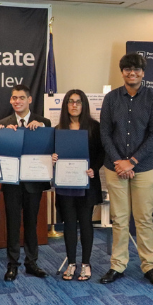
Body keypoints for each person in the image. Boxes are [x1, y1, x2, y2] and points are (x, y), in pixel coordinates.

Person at [99, 53, 153, 285]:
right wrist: (119, 161)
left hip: (144, 167)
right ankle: (118, 265)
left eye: (136, 69)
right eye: (127, 69)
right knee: (119, 218)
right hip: (115, 167)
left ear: (143, 73)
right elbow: (104, 133)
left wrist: (132, 161)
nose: (132, 73)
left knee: (144, 218)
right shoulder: (111, 99)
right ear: (122, 72)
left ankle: (149, 265)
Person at [0, 84, 51, 281]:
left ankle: (31, 263)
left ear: (29, 100)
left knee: (31, 223)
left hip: (33, 182)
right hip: (12, 183)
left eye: (21, 98)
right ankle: (12, 264)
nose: (17, 101)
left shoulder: (43, 122)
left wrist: (41, 131)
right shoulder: (3, 123)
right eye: (14, 98)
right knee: (12, 223)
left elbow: (49, 149)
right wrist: (4, 135)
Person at [52, 90, 104, 281]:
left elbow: (101, 153)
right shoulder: (58, 129)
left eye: (78, 102)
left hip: (86, 184)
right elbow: (52, 153)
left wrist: (94, 169)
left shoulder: (94, 127)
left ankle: (86, 264)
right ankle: (71, 263)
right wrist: (53, 157)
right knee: (69, 225)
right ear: (66, 105)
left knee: (86, 223)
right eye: (71, 102)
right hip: (66, 185)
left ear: (84, 105)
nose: (74, 105)